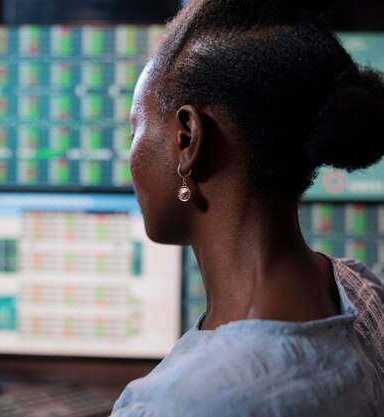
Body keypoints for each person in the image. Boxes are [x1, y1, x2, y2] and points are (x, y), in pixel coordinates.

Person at [111, 0, 384, 416]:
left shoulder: (176, 404)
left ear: (187, 139)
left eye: (136, 127)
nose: (130, 155)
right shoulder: (363, 293)